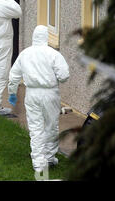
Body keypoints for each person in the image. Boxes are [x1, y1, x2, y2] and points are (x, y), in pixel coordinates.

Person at [8, 25, 70, 172]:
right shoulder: (53, 54)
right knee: (51, 125)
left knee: (35, 127)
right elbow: (64, 76)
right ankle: (49, 157)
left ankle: (38, 163)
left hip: (32, 94)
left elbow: (14, 76)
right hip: (50, 93)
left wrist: (12, 92)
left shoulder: (25, 54)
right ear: (46, 37)